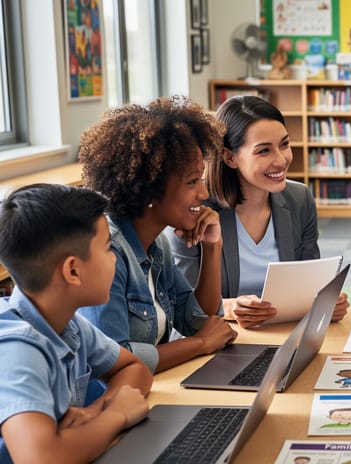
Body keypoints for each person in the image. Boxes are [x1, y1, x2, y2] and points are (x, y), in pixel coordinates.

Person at [0, 184, 152, 464]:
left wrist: (95, 412)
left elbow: (133, 368)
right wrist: (116, 414)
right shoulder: (17, 347)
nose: (115, 259)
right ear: (73, 270)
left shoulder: (66, 322)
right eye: (108, 249)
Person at [78, 95, 237, 374]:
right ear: (150, 188)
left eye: (201, 178)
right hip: (109, 404)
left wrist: (212, 246)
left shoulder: (156, 242)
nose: (204, 193)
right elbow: (113, 360)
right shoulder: (106, 251)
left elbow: (200, 320)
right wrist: (200, 344)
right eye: (192, 182)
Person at [165, 95, 348, 328]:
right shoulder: (194, 211)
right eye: (264, 151)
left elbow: (310, 283)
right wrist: (230, 307)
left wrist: (325, 301)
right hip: (220, 335)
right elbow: (184, 305)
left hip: (285, 332)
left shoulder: (299, 199)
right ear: (230, 157)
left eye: (284, 144)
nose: (281, 160)